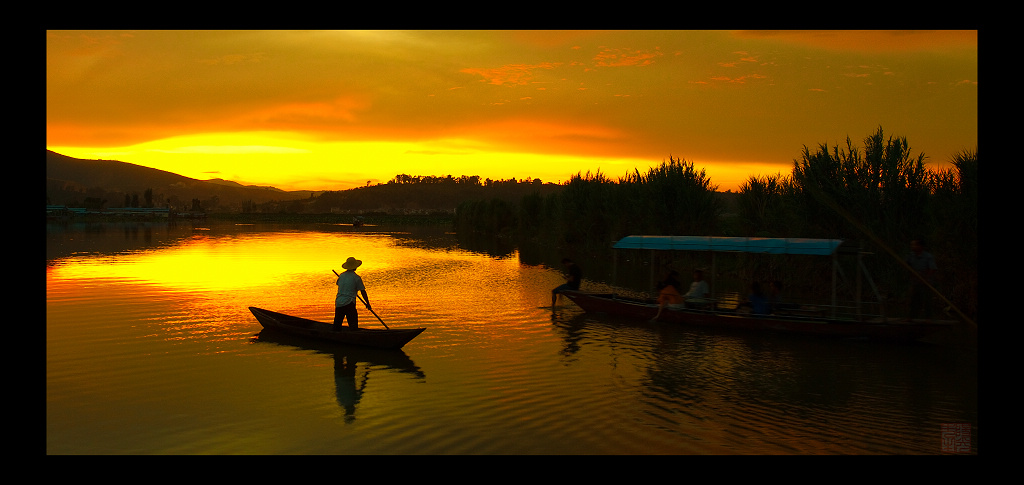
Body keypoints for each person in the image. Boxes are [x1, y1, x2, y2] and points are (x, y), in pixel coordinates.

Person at [905, 238, 937, 320]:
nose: (912, 246)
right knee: (913, 300)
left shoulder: (928, 257)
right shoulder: (911, 255)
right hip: (915, 282)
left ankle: (928, 318)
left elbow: (932, 269)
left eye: (914, 245)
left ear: (920, 246)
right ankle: (911, 317)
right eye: (912, 245)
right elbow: (907, 265)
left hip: (926, 283)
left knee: (927, 301)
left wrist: (924, 278)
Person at [335, 257, 370, 330]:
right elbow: (363, 291)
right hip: (349, 303)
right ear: (355, 267)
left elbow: (339, 284)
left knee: (337, 325)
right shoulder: (356, 278)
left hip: (339, 302)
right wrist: (368, 303)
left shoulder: (341, 275)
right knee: (353, 325)